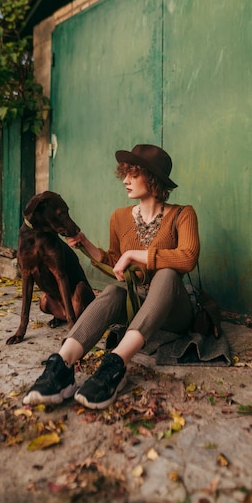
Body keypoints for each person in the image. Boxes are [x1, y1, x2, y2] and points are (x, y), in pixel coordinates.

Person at [23, 144, 200, 410]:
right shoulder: (119, 218)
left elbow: (187, 257)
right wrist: (86, 245)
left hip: (174, 309)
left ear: (152, 179)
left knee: (166, 274)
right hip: (137, 301)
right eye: (125, 173)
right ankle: (62, 365)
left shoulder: (183, 214)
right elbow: (117, 262)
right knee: (112, 292)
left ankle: (115, 365)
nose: (125, 180)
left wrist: (136, 255)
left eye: (133, 174)